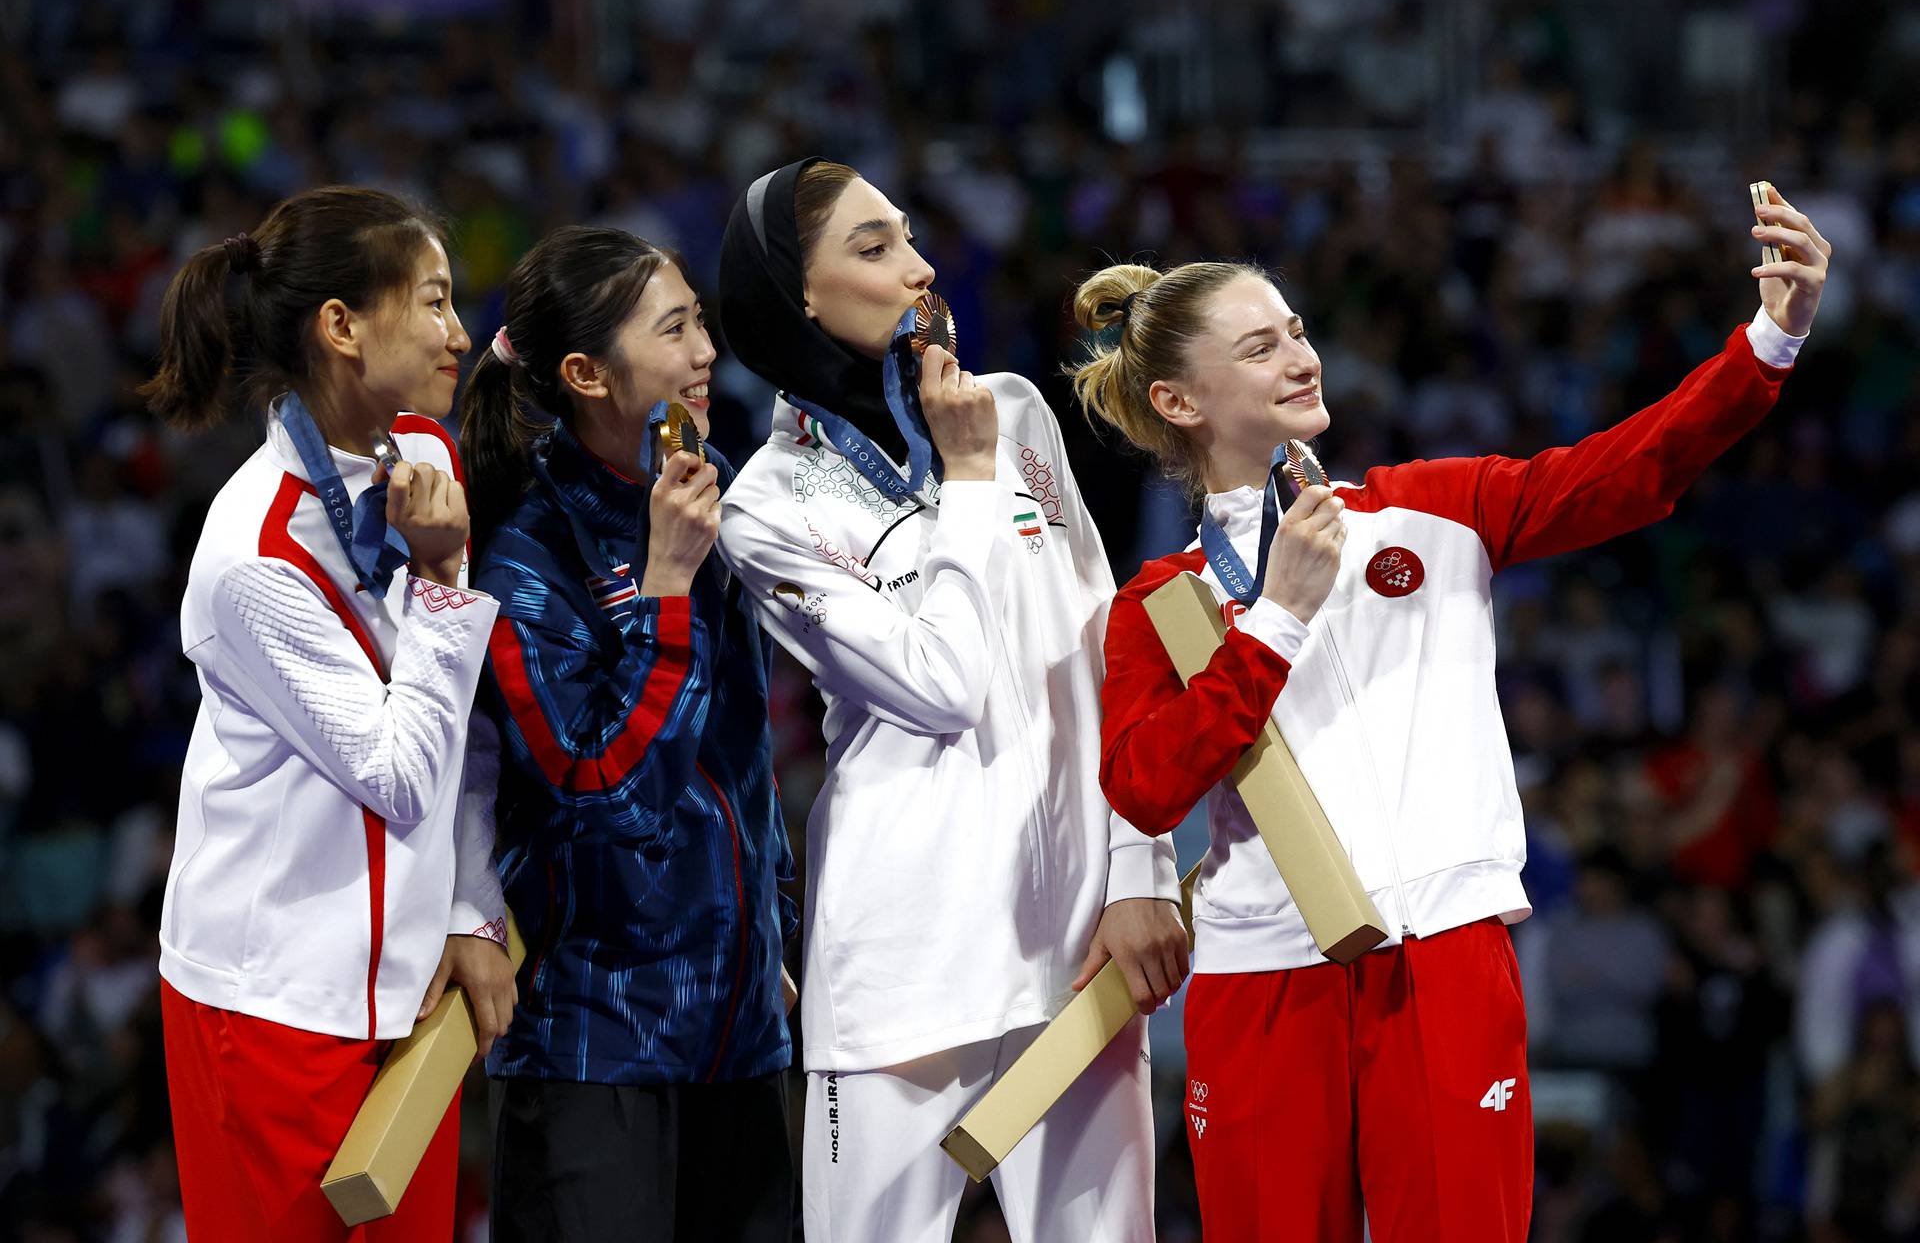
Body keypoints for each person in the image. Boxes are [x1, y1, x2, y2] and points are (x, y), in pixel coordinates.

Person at [1082, 189, 1831, 1242]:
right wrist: (1277, 619)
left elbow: (1633, 465)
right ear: (1179, 401)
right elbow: (1144, 785)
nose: (1300, 355)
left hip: (1439, 952)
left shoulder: (1436, 508)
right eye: (1259, 347)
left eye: (1297, 330)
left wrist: (1772, 338)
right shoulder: (1159, 602)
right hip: (1259, 978)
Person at [715, 158, 1186, 1243]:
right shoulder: (767, 508)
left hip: (1078, 938)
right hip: (901, 965)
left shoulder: (1014, 413)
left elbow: (1110, 648)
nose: (923, 268)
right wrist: (968, 481)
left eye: (911, 235)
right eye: (874, 248)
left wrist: (1139, 869)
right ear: (800, 295)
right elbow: (940, 683)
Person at [141, 186, 513, 1241]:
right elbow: (396, 773)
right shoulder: (253, 554)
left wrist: (469, 902)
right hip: (270, 1010)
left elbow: (465, 730)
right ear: (341, 327)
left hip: (406, 1001)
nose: (462, 333)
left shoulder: (427, 458)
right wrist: (440, 584)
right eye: (434, 302)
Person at [458, 226, 796, 1241]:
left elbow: (743, 760)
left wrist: (768, 926)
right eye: (677, 327)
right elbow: (607, 794)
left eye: (701, 320)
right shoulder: (525, 556)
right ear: (585, 373)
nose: (708, 352)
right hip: (595, 1048)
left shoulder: (698, 481)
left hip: (738, 1034)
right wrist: (667, 591)